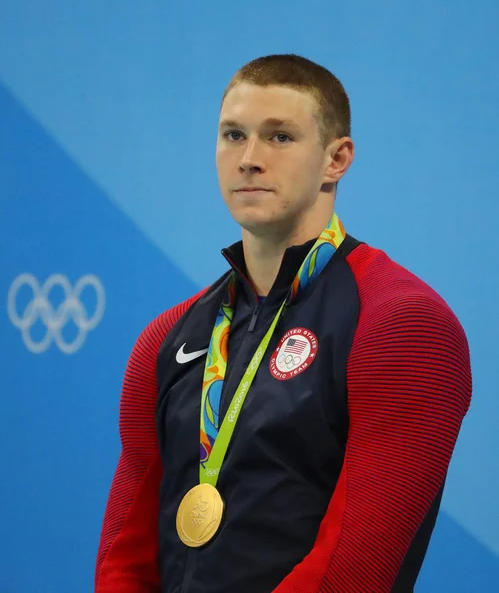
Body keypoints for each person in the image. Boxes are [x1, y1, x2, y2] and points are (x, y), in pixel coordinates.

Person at [95, 54, 472, 593]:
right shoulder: (167, 337)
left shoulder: (402, 326)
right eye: (232, 135)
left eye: (279, 138)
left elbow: (351, 573)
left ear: (336, 159)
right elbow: (123, 558)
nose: (248, 159)